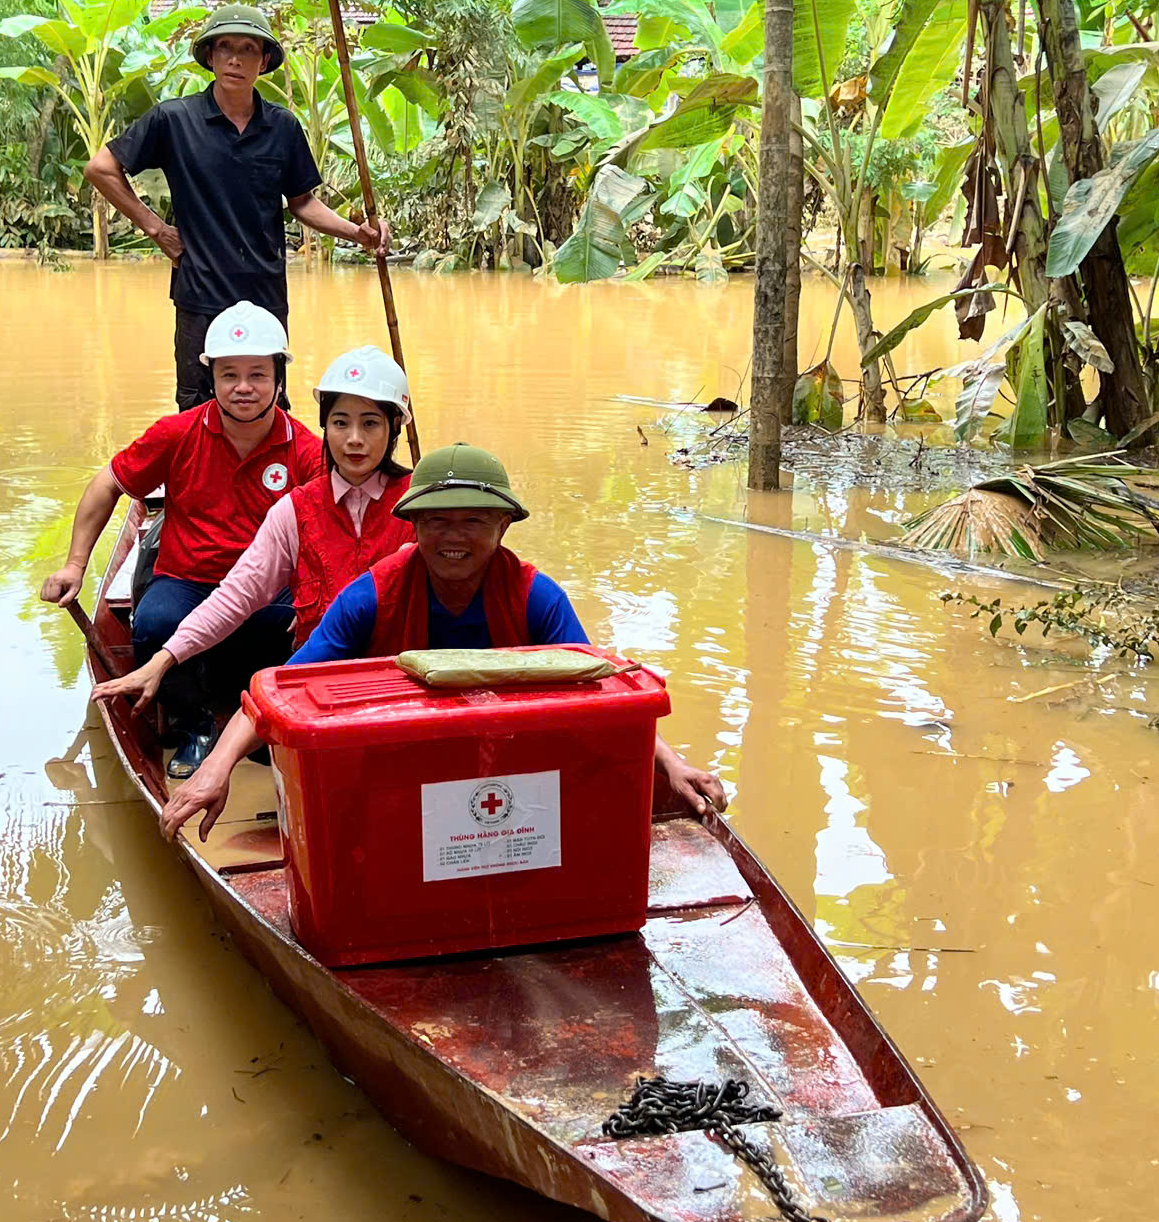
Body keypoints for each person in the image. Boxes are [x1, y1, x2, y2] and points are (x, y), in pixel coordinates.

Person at [158, 442, 728, 841]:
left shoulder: (535, 596)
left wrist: (672, 764)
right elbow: (278, 690)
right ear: (414, 527)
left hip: (506, 769)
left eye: (473, 521)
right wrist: (218, 767)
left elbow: (602, 695)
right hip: (401, 767)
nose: (453, 537)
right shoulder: (372, 596)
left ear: (503, 527)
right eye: (436, 521)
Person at [40, 301, 323, 773]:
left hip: (265, 591)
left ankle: (262, 717)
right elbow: (107, 484)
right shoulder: (177, 433)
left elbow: (329, 531)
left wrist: (316, 596)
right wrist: (75, 565)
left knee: (303, 627)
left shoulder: (307, 450)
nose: (244, 387)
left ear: (279, 377)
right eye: (229, 375)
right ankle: (195, 727)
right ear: (211, 378)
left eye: (257, 374)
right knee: (154, 623)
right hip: (186, 580)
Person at [83, 3, 391, 410]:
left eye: (248, 49)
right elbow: (101, 168)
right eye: (225, 46)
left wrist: (357, 234)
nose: (235, 58)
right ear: (210, 56)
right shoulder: (174, 120)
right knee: (198, 412)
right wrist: (156, 229)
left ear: (263, 62)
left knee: (267, 407)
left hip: (265, 295)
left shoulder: (282, 127)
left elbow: (302, 202)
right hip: (201, 295)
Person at [92, 345, 414, 727]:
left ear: (396, 425)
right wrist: (162, 660)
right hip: (315, 687)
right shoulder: (296, 509)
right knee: (161, 622)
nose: (354, 439)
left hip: (401, 687)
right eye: (340, 423)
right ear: (325, 427)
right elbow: (237, 595)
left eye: (371, 424)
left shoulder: (420, 506)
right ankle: (196, 726)